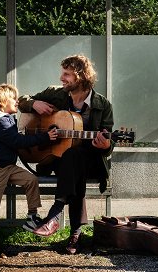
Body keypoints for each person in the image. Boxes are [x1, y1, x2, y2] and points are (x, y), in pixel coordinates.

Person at [18, 54, 114, 255]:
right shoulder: (56, 93)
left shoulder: (102, 104)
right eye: (62, 73)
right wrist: (33, 104)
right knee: (71, 160)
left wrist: (105, 145)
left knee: (74, 157)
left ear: (80, 76)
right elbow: (20, 101)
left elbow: (109, 144)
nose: (62, 78)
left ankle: (54, 214)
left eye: (67, 74)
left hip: (92, 160)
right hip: (55, 159)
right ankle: (75, 234)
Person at [0, 83, 57, 256]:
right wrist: (45, 137)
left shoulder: (8, 120)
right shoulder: (1, 121)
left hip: (8, 167)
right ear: (2, 101)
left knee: (31, 180)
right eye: (13, 98)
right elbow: (17, 142)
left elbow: (16, 141)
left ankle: (32, 216)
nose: (16, 101)